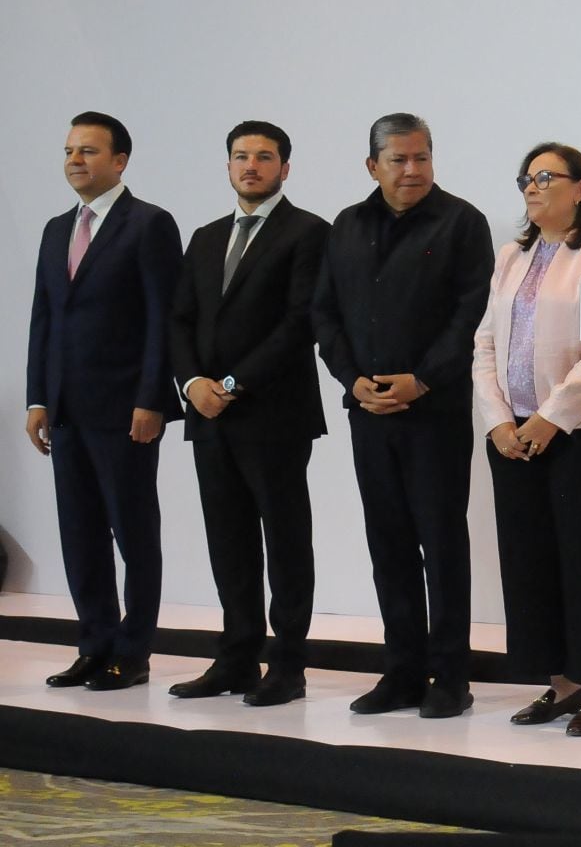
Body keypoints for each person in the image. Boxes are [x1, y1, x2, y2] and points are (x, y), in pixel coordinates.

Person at [312, 113, 493, 719]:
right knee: (386, 544)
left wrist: (421, 379)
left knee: (440, 545)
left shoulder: (463, 221)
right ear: (373, 166)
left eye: (422, 158)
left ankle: (451, 677)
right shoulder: (346, 225)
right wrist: (351, 379)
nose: (412, 170)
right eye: (398, 160)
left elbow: (470, 316)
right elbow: (325, 315)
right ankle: (401, 672)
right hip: (368, 410)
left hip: (433, 411)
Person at [474, 142, 581, 737]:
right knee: (531, 560)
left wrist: (552, 417)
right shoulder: (510, 255)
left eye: (547, 177)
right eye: (527, 178)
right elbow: (485, 343)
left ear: (580, 189)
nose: (533, 186)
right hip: (513, 435)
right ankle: (562, 686)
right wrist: (497, 418)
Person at [167, 120, 330, 708]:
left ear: (286, 168)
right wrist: (192, 385)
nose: (251, 166)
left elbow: (299, 323)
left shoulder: (309, 232)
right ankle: (236, 658)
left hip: (273, 414)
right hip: (208, 414)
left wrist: (231, 383)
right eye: (241, 156)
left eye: (264, 157)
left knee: (285, 539)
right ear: (229, 165)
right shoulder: (206, 236)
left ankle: (288, 664)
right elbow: (179, 318)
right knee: (227, 538)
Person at [26, 112, 183, 693]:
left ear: (120, 161)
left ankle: (133, 650)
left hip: (125, 411)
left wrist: (152, 399)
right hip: (65, 411)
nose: (75, 160)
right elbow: (44, 318)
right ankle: (93, 643)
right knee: (80, 534)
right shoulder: (54, 228)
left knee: (133, 533)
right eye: (69, 150)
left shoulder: (149, 225)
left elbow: (162, 320)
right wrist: (37, 396)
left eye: (89, 151)